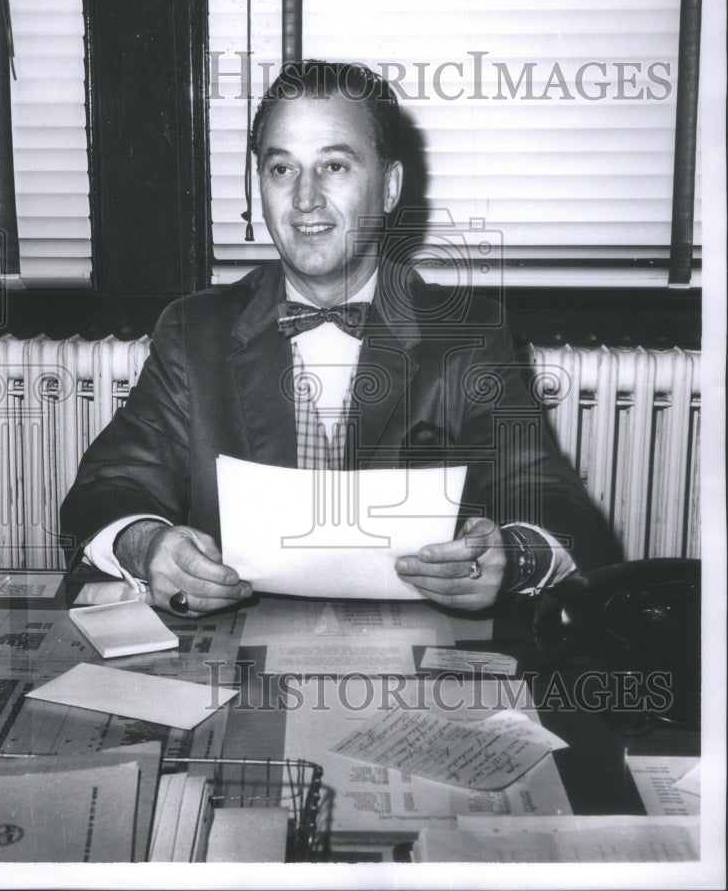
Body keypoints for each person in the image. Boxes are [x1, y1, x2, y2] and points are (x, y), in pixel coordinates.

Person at [61, 61, 618, 617]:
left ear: (390, 186)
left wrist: (511, 558)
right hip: (237, 656)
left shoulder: (467, 335)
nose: (304, 198)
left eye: (334, 165)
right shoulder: (193, 331)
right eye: (281, 169)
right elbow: (109, 486)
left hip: (412, 656)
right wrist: (148, 546)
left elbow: (552, 499)